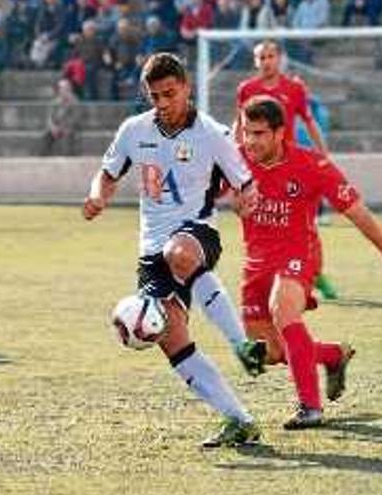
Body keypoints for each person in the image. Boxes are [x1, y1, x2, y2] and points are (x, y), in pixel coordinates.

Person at [82, 53, 264, 447]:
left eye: (169, 94)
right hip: (151, 249)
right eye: (154, 96)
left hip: (197, 234)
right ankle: (240, 420)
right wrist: (97, 196)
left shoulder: (213, 134)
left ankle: (242, 345)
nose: (162, 104)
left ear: (186, 87)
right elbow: (108, 173)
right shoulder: (135, 130)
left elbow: (245, 183)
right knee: (171, 338)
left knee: (178, 254)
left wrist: (246, 199)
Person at [237, 96, 382, 428]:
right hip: (256, 262)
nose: (251, 141)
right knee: (272, 353)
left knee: (283, 309)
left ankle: (311, 407)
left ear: (280, 133)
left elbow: (359, 213)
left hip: (299, 255)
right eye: (246, 132)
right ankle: (333, 355)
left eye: (259, 133)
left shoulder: (312, 165)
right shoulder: (235, 161)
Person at [234, 39, 339, 301]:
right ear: (255, 61)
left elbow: (309, 121)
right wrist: (233, 155)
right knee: (262, 221)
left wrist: (323, 154)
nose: (266, 61)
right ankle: (269, 274)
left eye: (270, 56)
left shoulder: (294, 88)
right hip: (259, 167)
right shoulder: (247, 89)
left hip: (292, 168)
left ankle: (318, 274)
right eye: (261, 57)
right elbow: (240, 123)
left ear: (279, 58)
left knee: (307, 226)